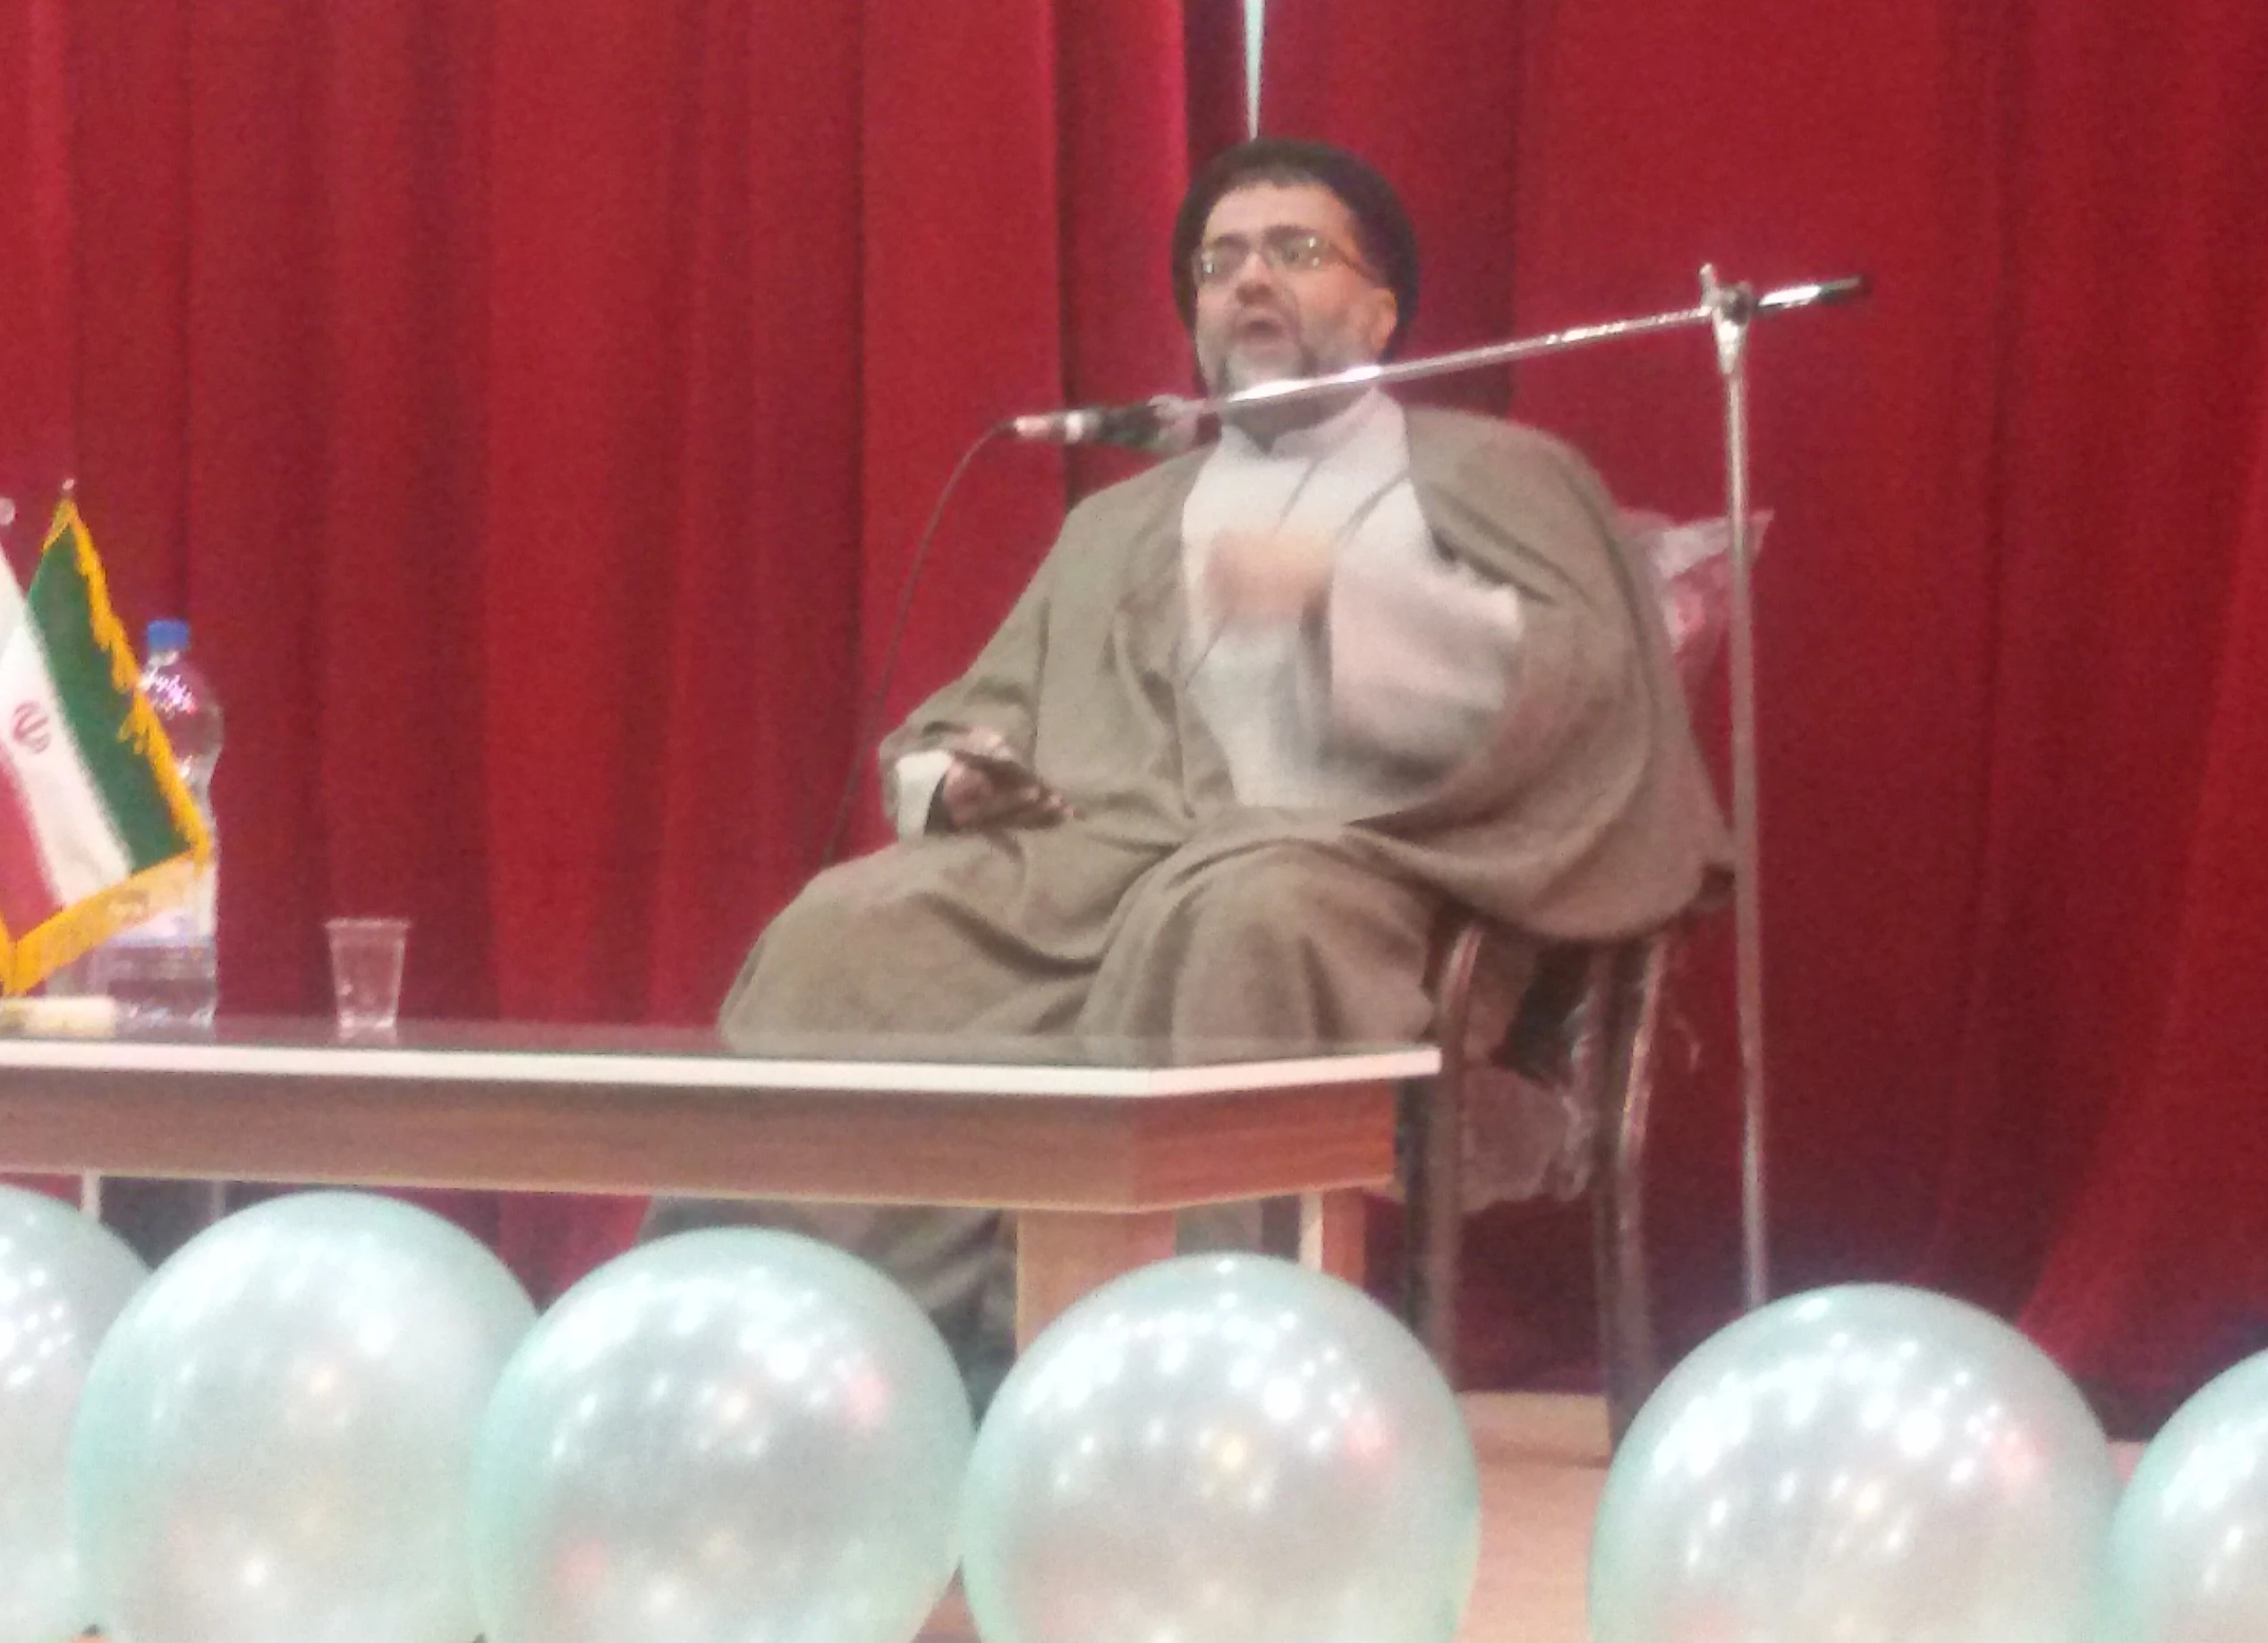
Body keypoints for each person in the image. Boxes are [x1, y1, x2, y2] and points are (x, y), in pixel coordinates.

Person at [645, 138, 1726, 1401]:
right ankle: (802, 1355)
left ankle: (1150, 1386)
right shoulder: (1115, 524)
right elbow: (963, 720)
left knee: (1235, 911)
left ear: (1383, 309)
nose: (1250, 279)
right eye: (1221, 263)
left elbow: (1578, 684)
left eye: (1295, 251)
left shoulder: (1501, 471)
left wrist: (1343, 602)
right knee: (849, 930)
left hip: (1373, 881)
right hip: (1085, 878)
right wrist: (961, 776)